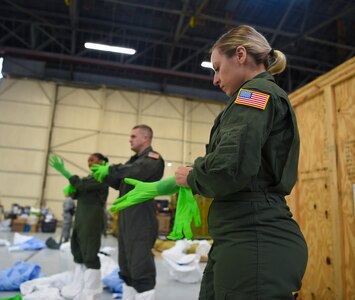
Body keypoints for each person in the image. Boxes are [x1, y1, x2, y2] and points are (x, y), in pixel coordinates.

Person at [111, 25, 308, 300]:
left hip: (255, 238)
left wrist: (191, 178)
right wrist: (170, 183)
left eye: (217, 67)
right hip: (240, 234)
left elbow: (229, 168)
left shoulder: (253, 96)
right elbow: (236, 163)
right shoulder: (257, 97)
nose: (215, 79)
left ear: (240, 54)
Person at [91, 124, 164, 300]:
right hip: (126, 220)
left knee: (140, 265)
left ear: (146, 138)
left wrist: (110, 169)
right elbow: (121, 182)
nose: (130, 139)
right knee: (126, 265)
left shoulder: (153, 159)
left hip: (141, 219)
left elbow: (134, 172)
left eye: (133, 136)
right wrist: (105, 175)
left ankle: (145, 295)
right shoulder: (132, 161)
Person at [48, 152, 109, 300]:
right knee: (78, 249)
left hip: (92, 219)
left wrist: (66, 173)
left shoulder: (103, 178)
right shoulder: (89, 178)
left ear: (101, 162)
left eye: (92, 160)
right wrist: (72, 189)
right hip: (81, 218)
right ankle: (80, 285)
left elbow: (81, 186)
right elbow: (77, 193)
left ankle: (92, 292)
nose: (89, 162)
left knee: (90, 252)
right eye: (88, 160)